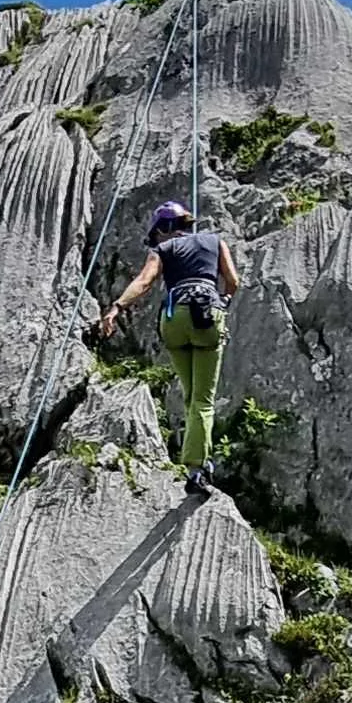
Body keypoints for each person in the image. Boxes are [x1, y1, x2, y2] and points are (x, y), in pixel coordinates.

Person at [99, 199, 240, 499]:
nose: (157, 240)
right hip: (207, 316)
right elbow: (233, 281)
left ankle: (196, 460)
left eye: (157, 234)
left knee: (192, 397)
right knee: (203, 399)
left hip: (174, 320)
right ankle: (197, 468)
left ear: (165, 228)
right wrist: (223, 301)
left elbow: (145, 282)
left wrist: (116, 308)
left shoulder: (162, 250)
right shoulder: (215, 242)